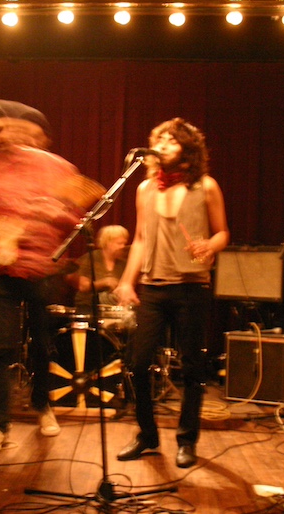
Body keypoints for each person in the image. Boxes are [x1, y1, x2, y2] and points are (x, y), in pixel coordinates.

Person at [0, 99, 102, 454]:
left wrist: (54, 213)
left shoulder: (58, 167)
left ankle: (42, 405)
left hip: (41, 268)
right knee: (0, 349)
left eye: (0, 128)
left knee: (42, 343)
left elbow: (80, 217)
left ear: (19, 129)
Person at [113, 117, 229, 468]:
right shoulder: (144, 189)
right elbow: (140, 239)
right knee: (136, 363)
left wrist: (210, 245)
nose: (162, 144)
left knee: (193, 367)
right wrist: (126, 281)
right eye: (158, 138)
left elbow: (223, 233)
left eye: (171, 140)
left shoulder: (206, 186)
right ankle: (147, 436)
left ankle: (186, 439)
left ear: (187, 149)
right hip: (153, 287)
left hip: (191, 288)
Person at [72, 224, 130, 311]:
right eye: (119, 243)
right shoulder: (91, 258)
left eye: (124, 243)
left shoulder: (123, 264)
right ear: (107, 242)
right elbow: (83, 286)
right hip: (88, 306)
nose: (123, 247)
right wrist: (105, 282)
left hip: (113, 308)